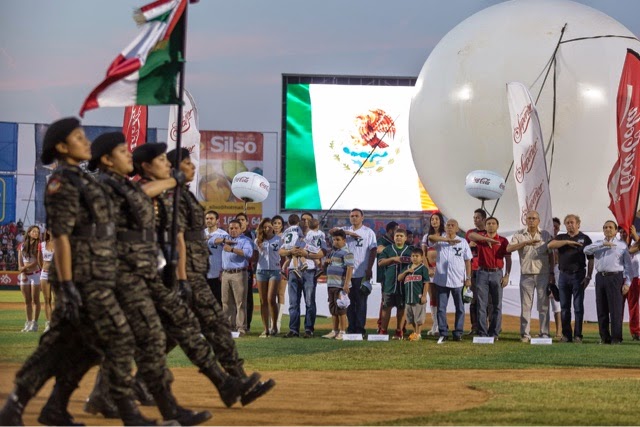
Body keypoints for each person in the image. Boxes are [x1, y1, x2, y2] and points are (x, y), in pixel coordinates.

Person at [0, 117, 149, 426]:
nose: (86, 143)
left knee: (84, 346)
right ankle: (127, 413)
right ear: (62, 147)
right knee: (112, 338)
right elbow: (62, 237)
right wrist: (67, 284)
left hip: (96, 275)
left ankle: (48, 406)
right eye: (79, 138)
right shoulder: (62, 183)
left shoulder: (84, 181)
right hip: (81, 278)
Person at [86, 132, 211, 425]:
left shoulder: (117, 184)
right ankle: (160, 407)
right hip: (119, 272)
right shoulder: (107, 185)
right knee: (143, 337)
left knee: (135, 338)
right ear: (106, 160)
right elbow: (139, 196)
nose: (128, 154)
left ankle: (105, 396)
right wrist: (174, 180)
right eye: (122, 151)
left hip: (141, 270)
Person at [507, 210, 554, 342]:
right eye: (529, 218)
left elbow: (551, 254)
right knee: (525, 306)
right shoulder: (519, 234)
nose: (531, 221)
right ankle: (525, 334)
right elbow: (509, 249)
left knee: (543, 305)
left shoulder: (545, 234)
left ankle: (544, 333)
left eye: (534, 218)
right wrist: (525, 243)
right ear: (525, 221)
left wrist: (551, 273)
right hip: (526, 274)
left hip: (542, 274)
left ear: (538, 221)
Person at [584, 220, 633, 344]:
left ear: (616, 231)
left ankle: (616, 338)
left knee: (615, 309)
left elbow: (628, 266)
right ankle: (604, 337)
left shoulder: (622, 245)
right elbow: (586, 250)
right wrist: (603, 245)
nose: (608, 229)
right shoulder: (598, 244)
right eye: (605, 227)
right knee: (601, 309)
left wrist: (627, 283)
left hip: (615, 278)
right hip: (600, 277)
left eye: (611, 227)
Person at [547, 214, 594, 343]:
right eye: (567, 223)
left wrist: (589, 276)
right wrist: (567, 242)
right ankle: (566, 335)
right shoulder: (562, 237)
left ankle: (578, 335)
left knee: (578, 307)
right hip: (563, 275)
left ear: (578, 224)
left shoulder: (585, 239)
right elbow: (550, 245)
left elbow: (591, 259)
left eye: (572, 222)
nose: (570, 225)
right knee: (564, 307)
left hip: (578, 275)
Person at [280, 212, 327, 338]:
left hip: (310, 271)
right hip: (293, 270)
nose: (305, 221)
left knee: (309, 301)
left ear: (312, 222)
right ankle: (293, 329)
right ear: (300, 221)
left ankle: (308, 329)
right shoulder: (293, 233)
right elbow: (282, 250)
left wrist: (307, 255)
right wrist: (291, 251)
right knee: (293, 303)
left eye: (308, 220)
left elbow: (323, 252)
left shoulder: (319, 235)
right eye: (303, 219)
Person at [330, 208, 377, 335]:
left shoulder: (368, 232)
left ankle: (360, 329)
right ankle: (351, 328)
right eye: (351, 216)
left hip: (361, 272)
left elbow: (373, 250)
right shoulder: (346, 230)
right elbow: (332, 231)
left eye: (356, 216)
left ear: (362, 217)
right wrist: (348, 233)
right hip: (346, 274)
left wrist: (369, 268)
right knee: (347, 302)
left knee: (361, 302)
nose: (354, 218)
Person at [467, 217, 511, 339]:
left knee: (497, 305)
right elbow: (471, 236)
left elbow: (508, 258)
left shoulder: (503, 240)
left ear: (498, 226)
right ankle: (482, 333)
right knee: (482, 304)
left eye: (493, 223)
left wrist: (507, 275)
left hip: (497, 273)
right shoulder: (481, 239)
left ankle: (494, 333)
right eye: (488, 223)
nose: (491, 225)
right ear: (485, 226)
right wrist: (487, 239)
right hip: (482, 273)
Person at [430, 219, 472, 343]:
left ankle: (458, 332)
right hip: (441, 280)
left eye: (453, 225)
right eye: (448, 225)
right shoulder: (440, 240)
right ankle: (443, 332)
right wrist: (447, 240)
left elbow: (468, 260)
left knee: (460, 308)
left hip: (458, 280)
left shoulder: (463, 242)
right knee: (441, 308)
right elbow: (431, 238)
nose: (450, 227)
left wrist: (468, 278)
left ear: (457, 229)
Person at [378, 228, 413, 339]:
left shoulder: (410, 250)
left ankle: (399, 331)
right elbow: (380, 262)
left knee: (401, 308)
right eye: (397, 235)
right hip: (390, 283)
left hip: (404, 285)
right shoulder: (388, 249)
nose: (398, 237)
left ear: (405, 238)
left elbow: (418, 262)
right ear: (393, 237)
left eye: (401, 236)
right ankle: (383, 331)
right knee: (386, 307)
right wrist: (393, 259)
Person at [221, 219, 254, 336]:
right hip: (225, 273)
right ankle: (228, 327)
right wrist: (223, 241)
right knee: (226, 303)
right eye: (231, 228)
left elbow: (249, 254)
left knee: (240, 302)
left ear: (241, 229)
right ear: (228, 229)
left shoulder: (246, 240)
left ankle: (241, 328)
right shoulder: (225, 239)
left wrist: (232, 249)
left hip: (239, 273)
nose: (233, 230)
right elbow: (210, 241)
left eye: (236, 228)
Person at [322, 229, 354, 340]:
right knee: (333, 308)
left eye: (338, 239)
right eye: (334, 239)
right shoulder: (332, 252)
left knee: (341, 309)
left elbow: (350, 268)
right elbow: (325, 268)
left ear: (344, 240)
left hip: (340, 285)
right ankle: (334, 330)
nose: (335, 241)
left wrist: (346, 284)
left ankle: (343, 331)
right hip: (331, 284)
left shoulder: (347, 252)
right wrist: (326, 264)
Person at [254, 218, 282, 337]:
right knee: (263, 300)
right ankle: (265, 328)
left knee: (271, 298)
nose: (267, 229)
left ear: (273, 227)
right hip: (261, 271)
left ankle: (274, 325)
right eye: (264, 227)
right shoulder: (257, 240)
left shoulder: (279, 239)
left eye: (269, 226)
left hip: (275, 271)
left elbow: (283, 253)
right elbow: (255, 257)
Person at [398, 247, 430, 341]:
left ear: (421, 258)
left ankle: (418, 333)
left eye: (417, 256)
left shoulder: (423, 268)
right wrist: (406, 272)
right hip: (408, 297)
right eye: (413, 256)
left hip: (418, 297)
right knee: (410, 317)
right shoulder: (407, 267)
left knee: (418, 317)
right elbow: (399, 278)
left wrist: (424, 295)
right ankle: (415, 332)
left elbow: (426, 282)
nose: (414, 258)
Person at [422, 212, 445, 336]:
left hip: (443, 271)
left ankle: (442, 325)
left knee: (442, 298)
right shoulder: (426, 237)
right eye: (432, 219)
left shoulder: (445, 235)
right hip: (430, 272)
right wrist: (428, 269)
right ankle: (435, 324)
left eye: (436, 219)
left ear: (441, 221)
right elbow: (423, 254)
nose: (434, 221)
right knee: (433, 298)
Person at [465, 208, 486, 336]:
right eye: (474, 217)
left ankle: (485, 327)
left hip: (484, 269)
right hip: (472, 270)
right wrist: (469, 246)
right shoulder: (469, 233)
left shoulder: (488, 232)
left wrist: (477, 245)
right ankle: (474, 327)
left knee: (485, 300)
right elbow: (463, 250)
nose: (475, 220)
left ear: (484, 219)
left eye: (477, 217)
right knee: (473, 301)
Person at [17, 225, 42, 332]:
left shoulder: (39, 246)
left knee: (35, 300)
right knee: (27, 300)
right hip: (24, 276)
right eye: (34, 231)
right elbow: (20, 261)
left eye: (37, 232)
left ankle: (35, 324)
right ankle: (28, 322)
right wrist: (21, 271)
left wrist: (25, 267)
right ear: (29, 232)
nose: (36, 233)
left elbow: (37, 261)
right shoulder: (22, 246)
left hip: (35, 274)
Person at [375, 221, 399, 332]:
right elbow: (378, 249)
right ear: (390, 231)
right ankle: (381, 326)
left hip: (398, 275)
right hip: (385, 275)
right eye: (396, 230)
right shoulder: (382, 240)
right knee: (385, 301)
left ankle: (400, 328)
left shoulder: (396, 242)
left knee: (400, 301)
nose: (398, 233)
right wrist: (395, 252)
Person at [235, 212, 256, 333]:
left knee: (246, 298)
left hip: (246, 270)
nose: (241, 221)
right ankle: (235, 324)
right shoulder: (231, 234)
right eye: (238, 219)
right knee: (234, 299)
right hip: (232, 270)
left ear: (247, 222)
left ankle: (246, 325)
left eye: (243, 219)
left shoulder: (251, 235)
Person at [205, 210, 227, 304]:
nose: (209, 220)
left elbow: (227, 254)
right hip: (203, 274)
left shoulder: (223, 235)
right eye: (207, 218)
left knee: (219, 303)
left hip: (218, 274)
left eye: (211, 218)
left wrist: (224, 270)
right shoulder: (200, 234)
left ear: (217, 220)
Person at [271, 214, 287, 334]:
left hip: (281, 268)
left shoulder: (285, 238)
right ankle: (272, 323)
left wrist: (283, 267)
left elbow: (287, 254)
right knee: (271, 295)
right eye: (274, 223)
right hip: (269, 269)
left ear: (282, 226)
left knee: (280, 294)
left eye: (279, 223)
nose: (276, 225)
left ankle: (278, 323)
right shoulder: (268, 237)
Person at [38, 229, 54, 333]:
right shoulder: (42, 244)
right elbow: (39, 259)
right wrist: (44, 268)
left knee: (58, 300)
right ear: (47, 232)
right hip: (44, 274)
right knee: (47, 299)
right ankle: (48, 324)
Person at [627, 225, 640, 340]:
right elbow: (630, 250)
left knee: (634, 305)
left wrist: (635, 235)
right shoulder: (620, 243)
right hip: (631, 277)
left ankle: (636, 331)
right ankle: (635, 331)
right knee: (633, 305)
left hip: (637, 276)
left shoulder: (637, 239)